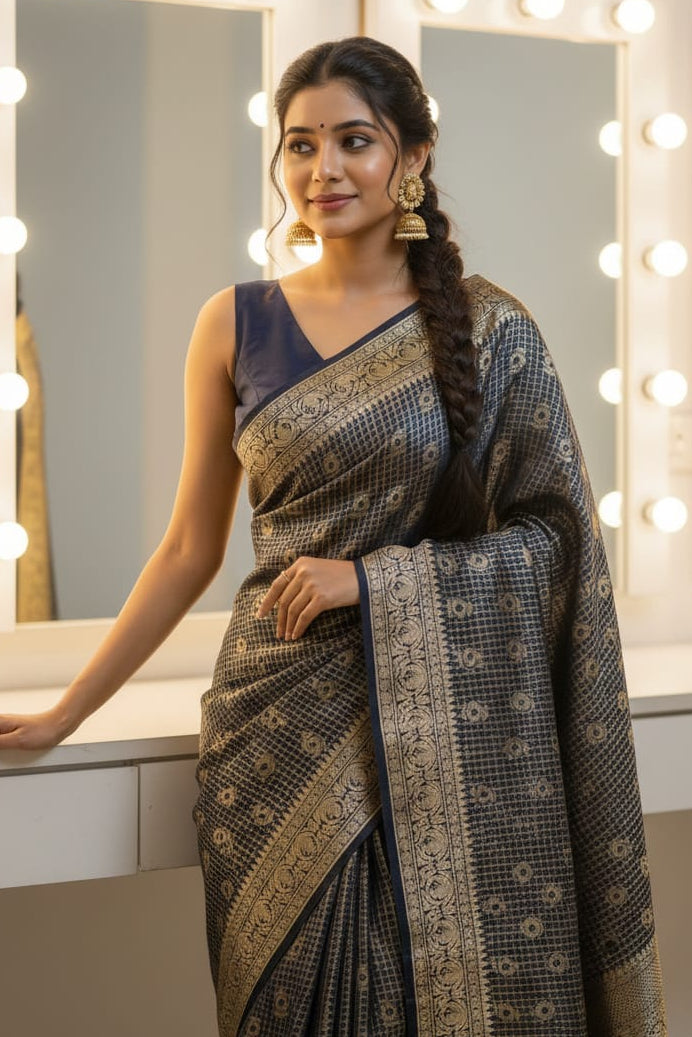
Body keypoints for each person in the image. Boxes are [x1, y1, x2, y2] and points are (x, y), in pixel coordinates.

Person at [0, 35, 666, 1037]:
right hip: (271, 726)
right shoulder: (233, 322)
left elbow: (558, 542)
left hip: (442, 735)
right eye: (299, 144)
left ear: (412, 156)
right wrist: (65, 712)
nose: (322, 170)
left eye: (353, 140)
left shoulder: (492, 331)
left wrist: (376, 581)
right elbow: (188, 547)